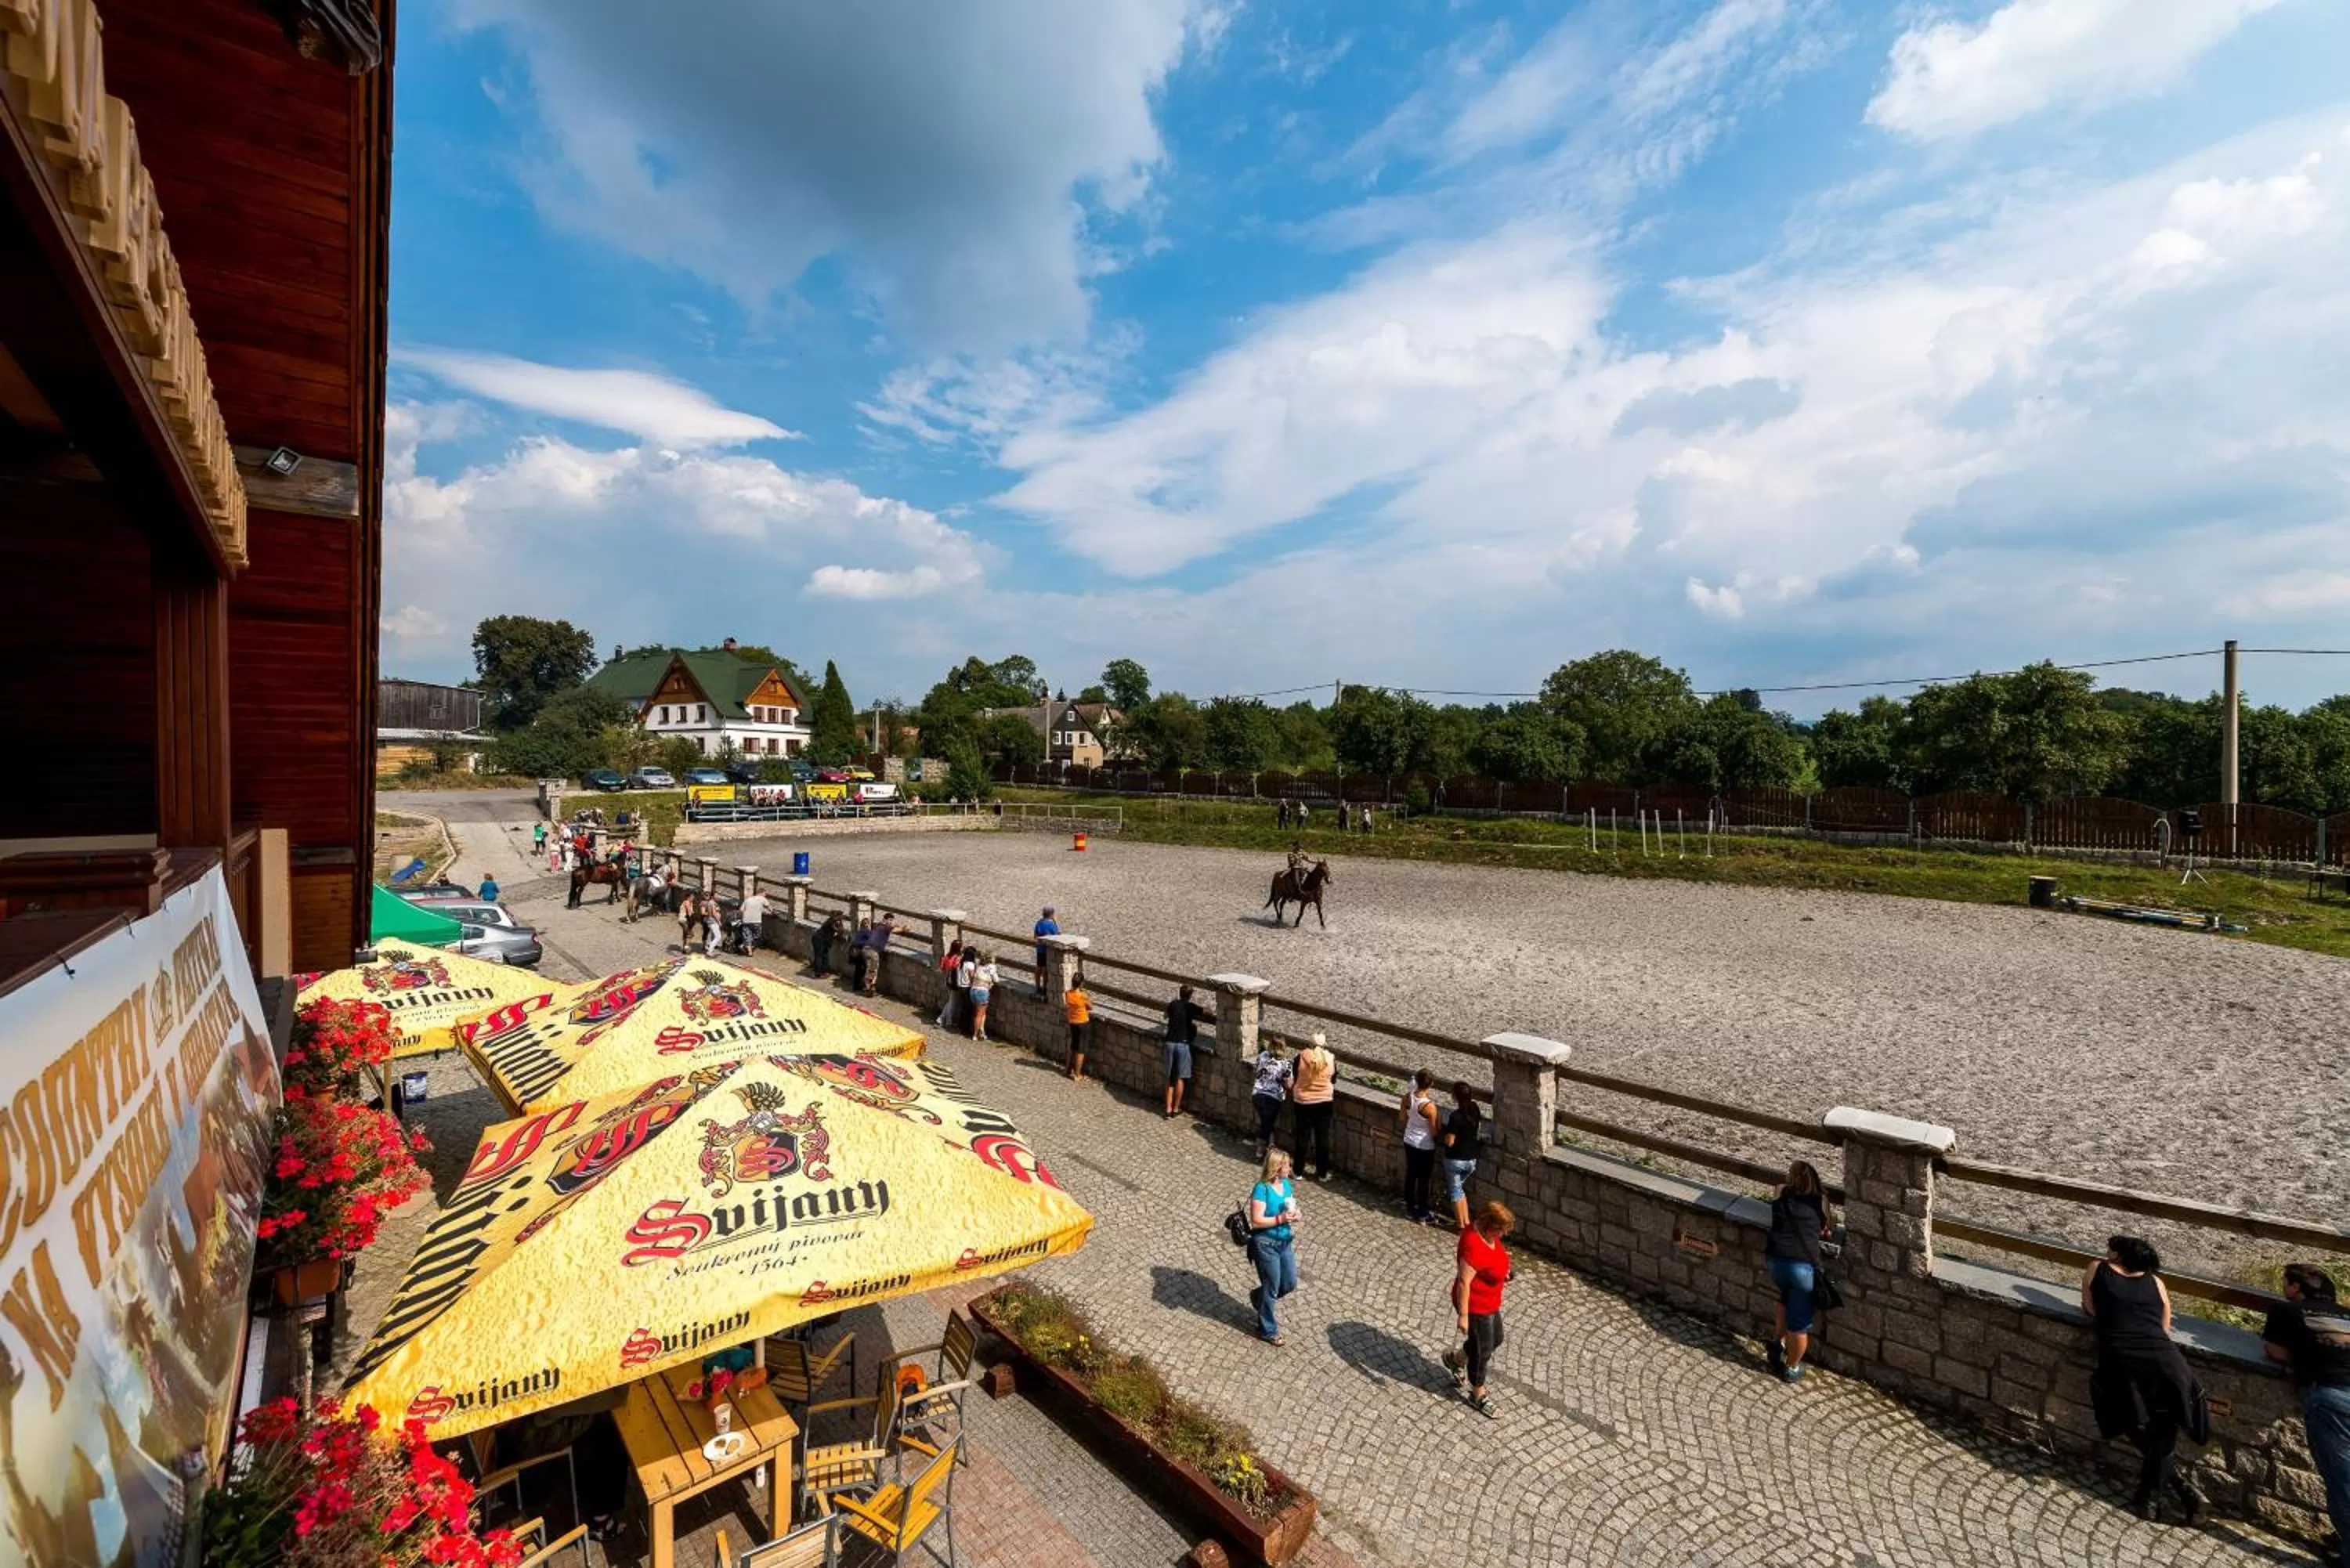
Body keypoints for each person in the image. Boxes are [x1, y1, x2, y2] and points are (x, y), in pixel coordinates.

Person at [2082, 1236, 2209, 1523]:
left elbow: (2091, 1309)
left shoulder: (2096, 1268)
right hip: (2167, 1360)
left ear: (2116, 1254)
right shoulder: (2157, 1283)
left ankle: (2159, 1496)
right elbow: (2164, 1326)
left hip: (2122, 1357)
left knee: (2126, 1417)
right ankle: (2162, 1496)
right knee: (2163, 1430)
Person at [2265, 1263, 2350, 1555]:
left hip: (2332, 1397)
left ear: (2296, 1288)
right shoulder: (2347, 1314)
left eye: (2285, 1282)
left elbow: (2275, 1352)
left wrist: (2305, 1359)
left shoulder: (2286, 1310)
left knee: (2342, 1481)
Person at [1443, 1200, 1515, 1418]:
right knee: (1483, 1350)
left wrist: (1503, 1273)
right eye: (1500, 1231)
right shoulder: (1473, 1244)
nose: (1502, 1236)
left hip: (1490, 1301)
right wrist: (1463, 1316)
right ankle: (1478, 1393)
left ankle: (1456, 1360)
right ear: (1488, 1225)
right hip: (1475, 1306)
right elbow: (1464, 1283)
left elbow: (1492, 1259)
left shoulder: (1487, 1236)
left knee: (1496, 1339)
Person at [1765, 1160, 1833, 1383]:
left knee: (1786, 1298)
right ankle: (1792, 1367)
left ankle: (1778, 1342)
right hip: (1802, 1267)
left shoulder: (1780, 1191)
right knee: (1800, 1324)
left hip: (1775, 1262)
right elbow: (1827, 1229)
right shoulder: (1820, 1201)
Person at [1246, 1148, 1300, 1346]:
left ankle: (1257, 1297)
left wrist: (1295, 1214)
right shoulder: (1261, 1189)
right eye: (1287, 1165)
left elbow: (1289, 1206)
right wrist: (1281, 1218)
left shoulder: (1285, 1184)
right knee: (1272, 1287)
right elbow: (1257, 1221)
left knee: (1289, 1283)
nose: (1290, 1169)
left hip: (1284, 1241)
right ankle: (1267, 1329)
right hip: (1266, 1244)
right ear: (1277, 1168)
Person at [1289, 1033, 1336, 1181]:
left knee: (1302, 1138)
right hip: (1324, 1103)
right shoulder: (1330, 1059)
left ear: (1309, 1044)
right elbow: (1334, 1079)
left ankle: (1298, 1171)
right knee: (1323, 1139)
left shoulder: (1301, 1057)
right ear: (1324, 1044)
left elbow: (1295, 1077)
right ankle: (1322, 1173)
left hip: (1303, 1102)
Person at [1398, 1068, 1441, 1223]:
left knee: (1411, 1175)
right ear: (1431, 1084)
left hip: (1409, 1139)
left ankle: (1410, 1208)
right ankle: (1423, 1211)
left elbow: (1402, 1118)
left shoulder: (1407, 1098)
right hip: (1424, 1145)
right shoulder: (1430, 1107)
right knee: (1424, 1179)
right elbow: (1434, 1130)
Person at [1440, 1082, 1482, 1230]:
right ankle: (1466, 1222)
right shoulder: (1475, 1109)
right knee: (1460, 1190)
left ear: (1456, 1096)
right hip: (1471, 1159)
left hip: (1456, 1160)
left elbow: (1450, 1141)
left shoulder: (1455, 1117)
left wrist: (1444, 1136)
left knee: (1455, 1192)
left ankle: (1460, 1225)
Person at [1162, 985, 1203, 1118]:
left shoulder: (1173, 1004)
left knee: (1170, 1077)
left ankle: (1167, 1108)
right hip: (1183, 1044)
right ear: (1190, 996)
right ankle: (1176, 1108)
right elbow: (1204, 1012)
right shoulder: (1190, 1007)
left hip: (1170, 1042)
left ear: (1180, 993)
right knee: (1181, 1077)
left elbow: (1165, 1016)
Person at [1250, 1039, 1292, 1158]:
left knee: (1266, 1122)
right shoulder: (1286, 1064)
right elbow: (1289, 1085)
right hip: (1274, 1098)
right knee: (1267, 1123)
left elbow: (1255, 1070)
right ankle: (1260, 1151)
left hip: (1257, 1094)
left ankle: (1270, 1146)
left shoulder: (1263, 1055)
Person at [1064, 970, 1094, 1082]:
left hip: (1073, 1022)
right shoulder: (1083, 996)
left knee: (1073, 1046)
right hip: (1083, 1022)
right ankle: (1077, 1074)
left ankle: (1067, 1070)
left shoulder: (1068, 994)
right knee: (1081, 1049)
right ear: (1081, 983)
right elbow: (1090, 1007)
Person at [967, 949, 998, 1041]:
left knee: (980, 1013)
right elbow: (996, 980)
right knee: (979, 1015)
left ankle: (982, 1030)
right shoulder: (992, 967)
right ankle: (975, 1035)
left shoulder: (979, 965)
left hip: (973, 990)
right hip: (982, 992)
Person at [936, 940, 967, 1030]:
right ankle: (947, 1021)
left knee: (951, 1001)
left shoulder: (947, 956)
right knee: (952, 1003)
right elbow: (957, 968)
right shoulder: (957, 958)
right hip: (954, 982)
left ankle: (941, 1019)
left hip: (947, 981)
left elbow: (942, 968)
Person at [1032, 906, 1061, 989]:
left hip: (1040, 949)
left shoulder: (1039, 923)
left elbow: (1035, 936)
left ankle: (1037, 986)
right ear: (1052, 915)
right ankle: (1045, 987)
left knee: (1039, 967)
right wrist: (1055, 922)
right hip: (1047, 950)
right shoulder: (1051, 925)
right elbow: (1058, 935)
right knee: (1045, 969)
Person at [735, 885, 766, 952]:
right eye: (765, 894)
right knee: (757, 935)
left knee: (747, 936)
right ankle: (747, 947)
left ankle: (749, 951)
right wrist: (774, 913)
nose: (765, 895)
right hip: (756, 921)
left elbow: (741, 910)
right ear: (761, 893)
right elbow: (769, 907)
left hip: (746, 921)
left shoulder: (748, 900)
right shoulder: (762, 898)